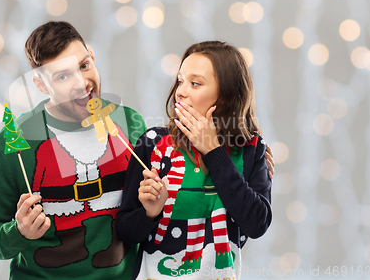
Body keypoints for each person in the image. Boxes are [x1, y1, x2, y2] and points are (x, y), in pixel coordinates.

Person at [0, 21, 148, 279]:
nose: (82, 83)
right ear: (41, 85)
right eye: (63, 76)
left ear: (93, 57)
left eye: (84, 66)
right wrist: (18, 232)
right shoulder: (10, 146)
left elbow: (146, 216)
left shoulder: (130, 124)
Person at [116, 41, 272, 279]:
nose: (181, 91)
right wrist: (149, 213)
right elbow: (125, 233)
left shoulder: (251, 149)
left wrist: (213, 151)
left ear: (227, 96)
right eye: (180, 80)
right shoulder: (151, 143)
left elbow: (256, 224)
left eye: (195, 83)